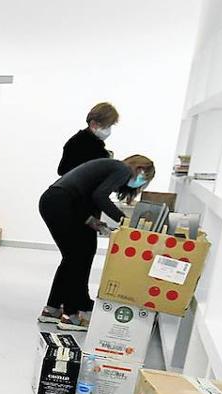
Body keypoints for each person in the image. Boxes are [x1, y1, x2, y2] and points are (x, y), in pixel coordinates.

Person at [38, 154, 155, 330]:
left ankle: (53, 309)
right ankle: (72, 314)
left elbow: (88, 196)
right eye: (144, 179)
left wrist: (94, 221)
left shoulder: (110, 167)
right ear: (140, 169)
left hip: (56, 201)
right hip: (61, 202)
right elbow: (100, 196)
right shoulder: (122, 169)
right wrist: (124, 221)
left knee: (74, 256)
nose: (140, 182)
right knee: (78, 257)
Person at [57, 102, 119, 175]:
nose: (108, 130)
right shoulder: (81, 144)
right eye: (106, 126)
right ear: (93, 124)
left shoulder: (87, 142)